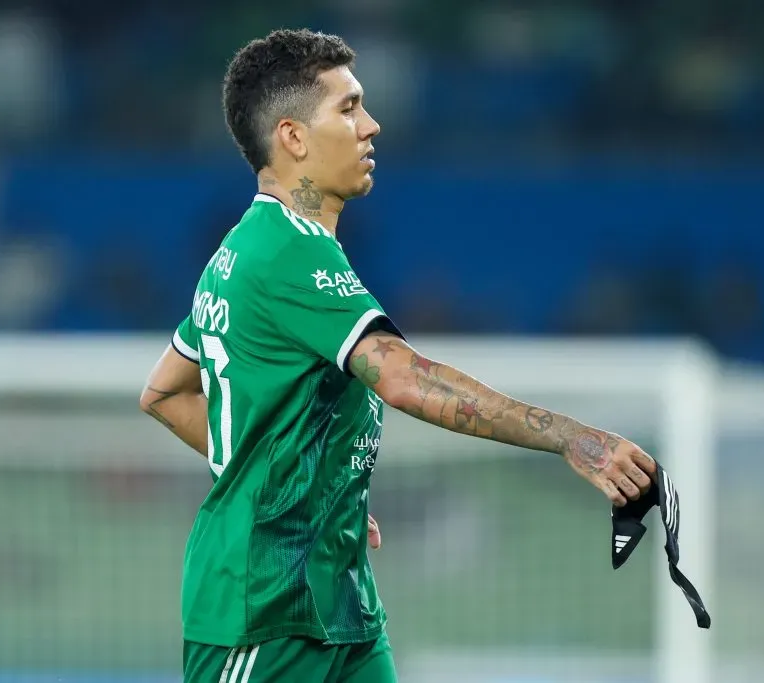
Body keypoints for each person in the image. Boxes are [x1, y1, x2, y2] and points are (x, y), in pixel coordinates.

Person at [140, 28, 658, 683]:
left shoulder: (247, 249)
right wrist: (569, 436)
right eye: (349, 108)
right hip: (261, 609)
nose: (372, 125)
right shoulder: (284, 254)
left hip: (339, 599)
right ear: (294, 137)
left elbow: (163, 390)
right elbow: (404, 378)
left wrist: (315, 490)